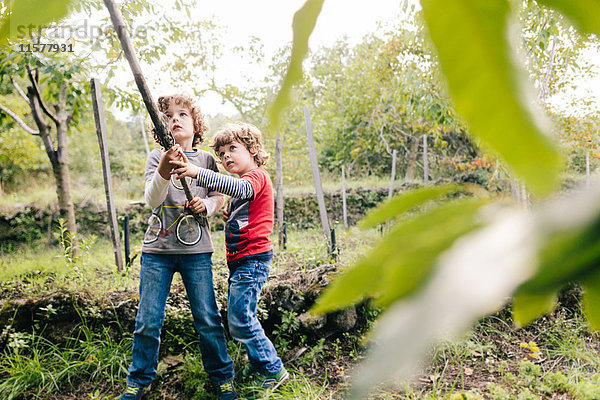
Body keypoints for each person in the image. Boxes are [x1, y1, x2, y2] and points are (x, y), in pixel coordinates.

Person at [120, 94, 236, 400]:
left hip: (196, 252)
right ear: (160, 126)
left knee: (207, 318)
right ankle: (139, 379)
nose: (175, 119)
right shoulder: (156, 157)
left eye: (183, 114)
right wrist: (163, 169)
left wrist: (207, 206)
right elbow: (152, 200)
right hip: (156, 252)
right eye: (168, 115)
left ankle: (222, 377)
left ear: (196, 125)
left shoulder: (206, 161)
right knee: (148, 319)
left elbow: (219, 196)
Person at [171, 122, 289, 394]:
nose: (226, 157)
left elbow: (240, 189)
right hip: (240, 261)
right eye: (222, 154)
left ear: (253, 150)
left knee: (240, 318)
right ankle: (259, 362)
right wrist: (229, 215)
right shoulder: (243, 186)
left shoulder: (256, 177)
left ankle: (272, 367)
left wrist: (197, 172)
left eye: (232, 149)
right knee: (240, 316)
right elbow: (243, 203)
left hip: (253, 260)